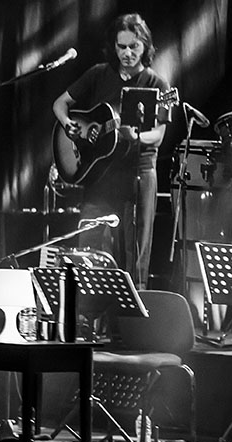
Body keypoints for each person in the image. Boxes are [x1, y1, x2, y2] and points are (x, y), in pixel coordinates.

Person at [52, 12, 171, 289]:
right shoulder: (98, 74)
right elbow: (60, 104)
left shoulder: (156, 85)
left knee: (135, 252)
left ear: (145, 46)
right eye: (121, 47)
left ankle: (131, 316)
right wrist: (70, 125)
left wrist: (136, 136)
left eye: (134, 47)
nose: (127, 53)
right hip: (100, 175)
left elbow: (159, 136)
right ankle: (90, 312)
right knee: (89, 244)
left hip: (138, 175)